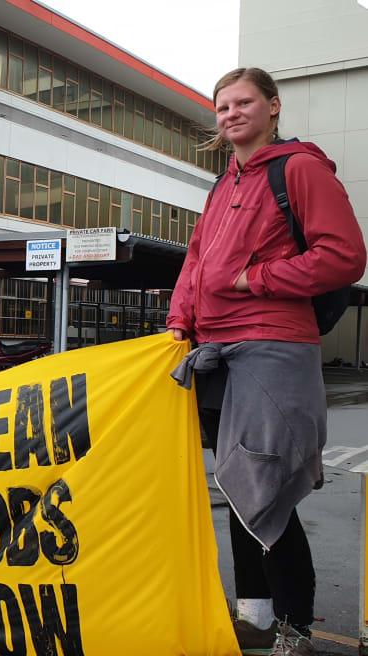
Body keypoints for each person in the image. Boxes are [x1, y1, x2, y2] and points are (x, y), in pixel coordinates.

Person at [167, 68, 365, 656]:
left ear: (272, 107)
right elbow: (195, 263)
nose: (230, 113)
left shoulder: (298, 169)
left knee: (268, 488)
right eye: (222, 106)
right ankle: (255, 614)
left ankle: (296, 627)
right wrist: (180, 321)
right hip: (215, 352)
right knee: (238, 485)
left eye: (243, 102)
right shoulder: (221, 184)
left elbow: (345, 256)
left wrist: (261, 278)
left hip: (272, 343)